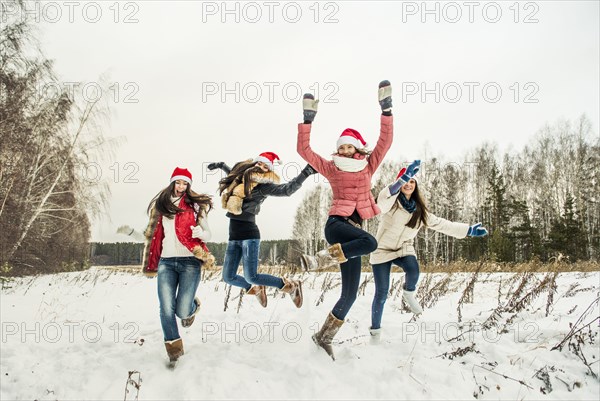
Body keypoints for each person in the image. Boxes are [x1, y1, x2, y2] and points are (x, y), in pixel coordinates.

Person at [296, 80, 394, 360]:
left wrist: (386, 110)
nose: (347, 151)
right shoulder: (332, 167)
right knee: (372, 242)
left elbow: (385, 142)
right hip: (337, 226)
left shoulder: (368, 165)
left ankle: (323, 336)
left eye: (351, 147)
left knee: (350, 294)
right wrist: (307, 120)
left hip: (354, 236)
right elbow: (305, 152)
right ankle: (320, 259)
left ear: (358, 148)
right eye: (343, 147)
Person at [369, 163, 488, 337]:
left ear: (415, 186)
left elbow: (441, 224)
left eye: (412, 181)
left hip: (403, 248)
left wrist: (468, 230)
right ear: (399, 184)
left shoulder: (420, 211)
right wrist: (398, 182)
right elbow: (381, 201)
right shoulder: (390, 203)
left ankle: (409, 294)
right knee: (381, 294)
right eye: (405, 181)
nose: (408, 184)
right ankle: (375, 333)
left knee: (413, 268)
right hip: (382, 249)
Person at [119, 167, 214, 367]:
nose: (181, 187)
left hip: (190, 261)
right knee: (165, 308)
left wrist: (200, 234)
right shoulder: (161, 206)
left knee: (181, 310)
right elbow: (148, 236)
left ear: (188, 186)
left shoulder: (195, 206)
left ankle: (192, 307)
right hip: (166, 263)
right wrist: (129, 232)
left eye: (185, 183)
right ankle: (174, 349)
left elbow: (208, 234)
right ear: (172, 183)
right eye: (178, 182)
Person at [207, 152, 317, 309]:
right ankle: (256, 288)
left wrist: (305, 173)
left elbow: (287, 190)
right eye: (259, 164)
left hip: (249, 236)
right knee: (228, 277)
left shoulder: (263, 188)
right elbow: (232, 173)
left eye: (266, 167)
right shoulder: (240, 180)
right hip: (234, 238)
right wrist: (221, 165)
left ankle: (291, 286)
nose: (261, 167)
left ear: (268, 171)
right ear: (254, 164)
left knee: (252, 276)